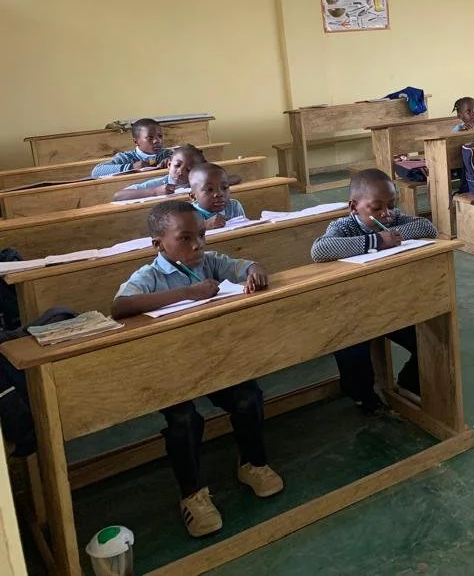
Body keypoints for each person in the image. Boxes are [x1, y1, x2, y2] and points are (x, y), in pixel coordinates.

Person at [112, 200, 280, 537]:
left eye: (201, 236)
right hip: (169, 368)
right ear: (158, 244)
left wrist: (254, 270)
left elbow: (243, 264)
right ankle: (192, 494)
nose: (197, 245)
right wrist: (187, 293)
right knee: (184, 420)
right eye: (185, 238)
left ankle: (253, 464)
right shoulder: (150, 275)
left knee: (248, 396)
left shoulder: (210, 261)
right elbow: (120, 306)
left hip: (214, 360)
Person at [310, 169, 435, 411]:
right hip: (350, 310)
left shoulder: (393, 218)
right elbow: (320, 250)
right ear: (354, 207)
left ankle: (408, 381)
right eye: (376, 208)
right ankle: (363, 397)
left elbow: (426, 227)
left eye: (391, 205)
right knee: (352, 352)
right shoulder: (343, 226)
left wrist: (392, 235)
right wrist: (378, 241)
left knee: (429, 338)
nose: (386, 214)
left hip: (390, 305)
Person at [112, 144, 205, 201]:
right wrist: (154, 192)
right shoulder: (160, 184)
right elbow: (118, 196)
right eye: (177, 166)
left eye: (188, 170)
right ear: (169, 165)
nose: (180, 171)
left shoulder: (201, 185)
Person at [91, 118, 171, 177]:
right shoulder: (125, 157)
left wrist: (173, 161)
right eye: (150, 138)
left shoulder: (166, 154)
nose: (157, 141)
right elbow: (96, 172)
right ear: (136, 142)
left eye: (160, 136)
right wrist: (131, 167)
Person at [188, 163, 246, 229]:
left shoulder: (234, 206)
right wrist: (205, 225)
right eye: (209, 189)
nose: (219, 194)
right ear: (193, 196)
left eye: (224, 188)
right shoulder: (190, 213)